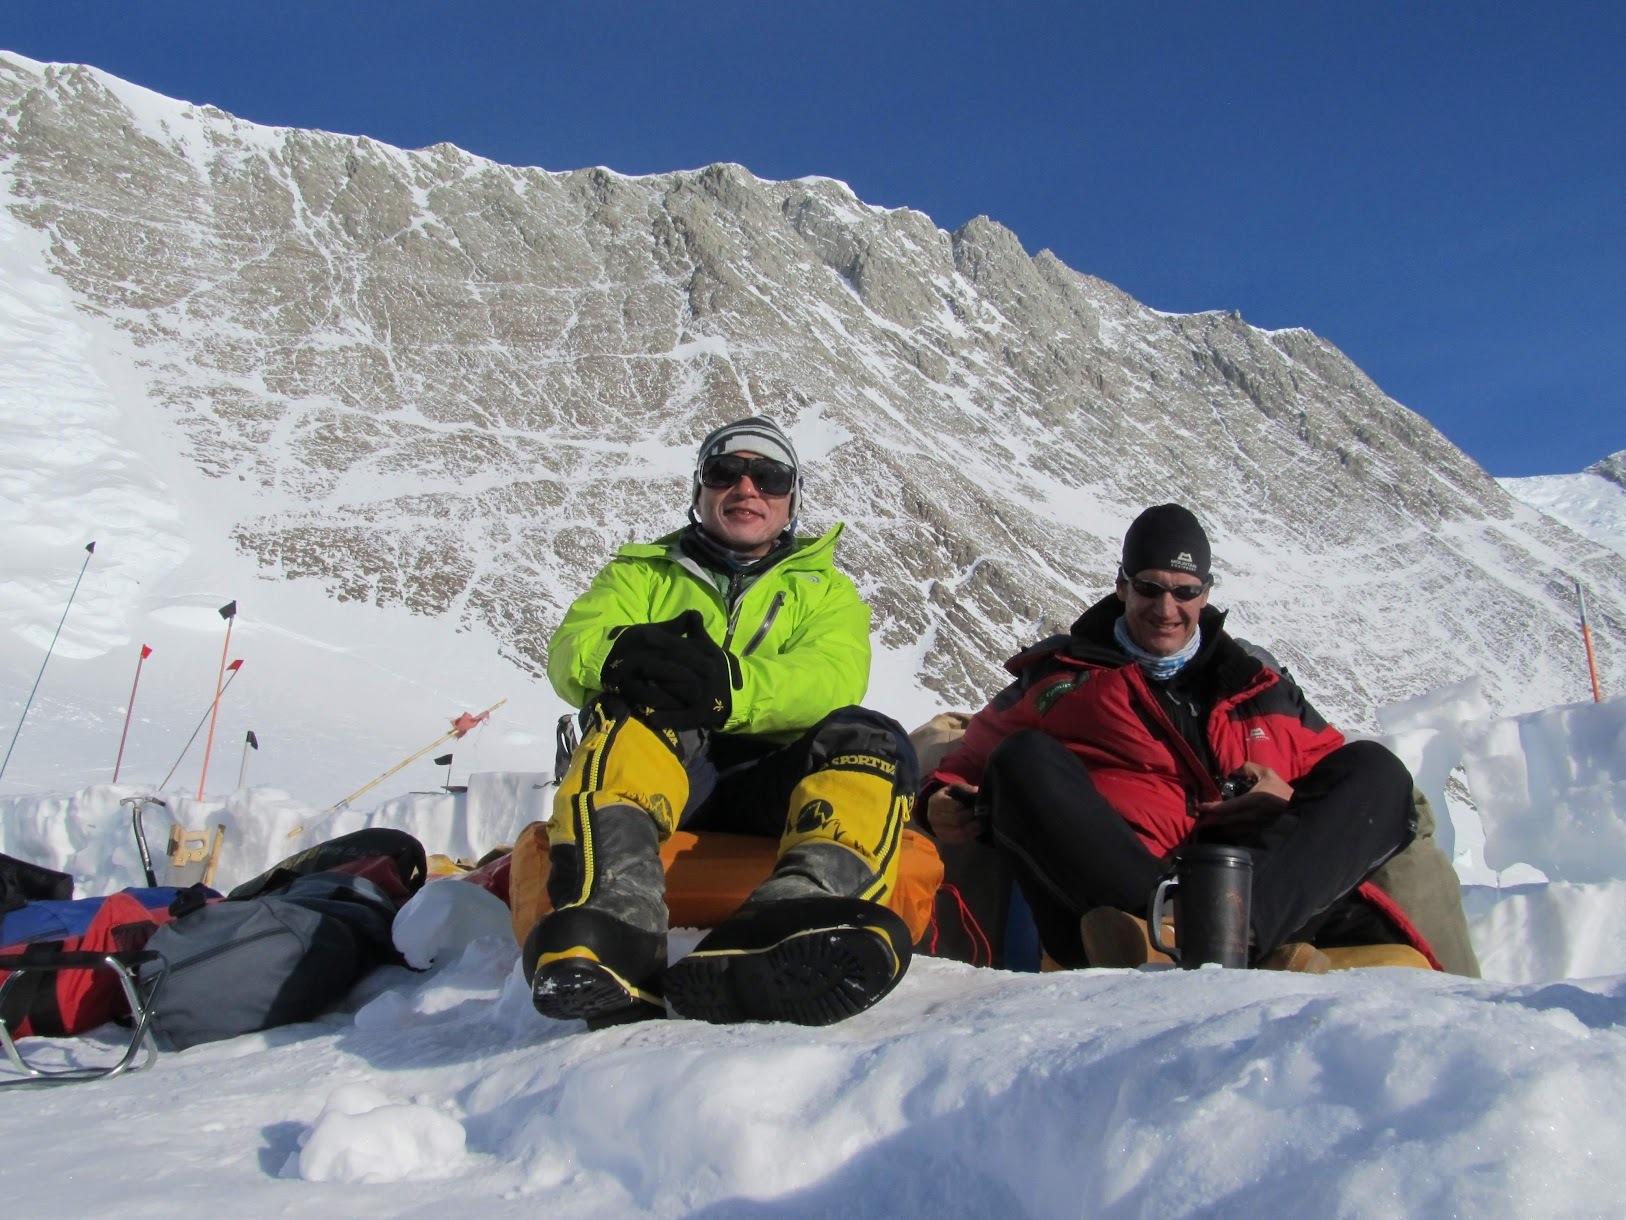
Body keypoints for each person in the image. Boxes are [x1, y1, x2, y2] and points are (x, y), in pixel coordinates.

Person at [923, 503, 1436, 971]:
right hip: (1115, 902)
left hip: (1258, 893)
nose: (1166, 609)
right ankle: (1183, 936)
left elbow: (1336, 781)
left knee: (1377, 769)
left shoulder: (1263, 687)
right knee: (1021, 760)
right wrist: (937, 802)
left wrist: (1284, 795)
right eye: (1149, 588)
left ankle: (1226, 939)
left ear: (1205, 594)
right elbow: (967, 765)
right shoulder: (1059, 679)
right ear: (1122, 586)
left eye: (1184, 592)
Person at [528, 416, 919, 1027]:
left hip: (776, 780)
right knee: (631, 715)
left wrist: (728, 691)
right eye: (725, 472)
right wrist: (621, 656)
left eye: (769, 476)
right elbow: (571, 648)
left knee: (870, 738)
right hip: (670, 769)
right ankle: (617, 929)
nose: (747, 488)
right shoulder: (640, 573)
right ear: (700, 490)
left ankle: (797, 915)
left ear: (790, 501)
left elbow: (833, 677)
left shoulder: (826, 591)